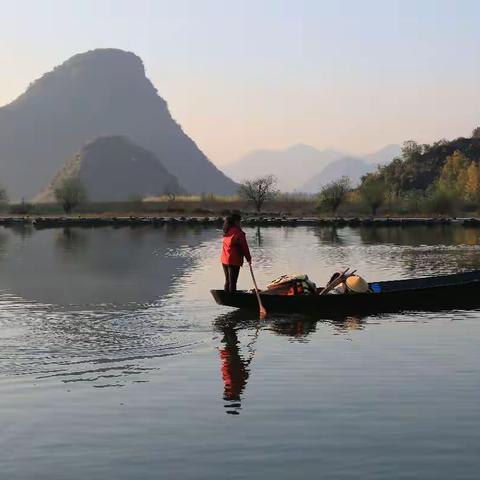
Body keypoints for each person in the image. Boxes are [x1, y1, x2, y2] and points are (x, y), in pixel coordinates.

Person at [221, 213, 251, 293]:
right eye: (240, 221)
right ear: (236, 222)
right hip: (233, 261)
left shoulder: (226, 231)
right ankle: (232, 299)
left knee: (228, 281)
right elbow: (244, 247)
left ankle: (227, 298)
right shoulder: (239, 233)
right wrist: (249, 258)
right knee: (233, 282)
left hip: (224, 260)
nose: (241, 223)